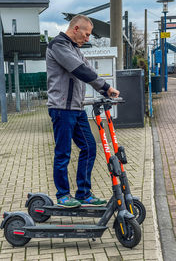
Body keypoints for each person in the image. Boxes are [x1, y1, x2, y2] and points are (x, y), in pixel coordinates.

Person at [46, 14, 120, 208]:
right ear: (76, 29)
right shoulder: (58, 45)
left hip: (76, 109)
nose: (88, 39)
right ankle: (62, 195)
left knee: (89, 147)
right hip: (62, 108)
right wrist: (105, 87)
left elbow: (88, 68)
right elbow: (80, 70)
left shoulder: (75, 49)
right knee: (63, 153)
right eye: (86, 34)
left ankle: (83, 193)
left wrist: (105, 89)